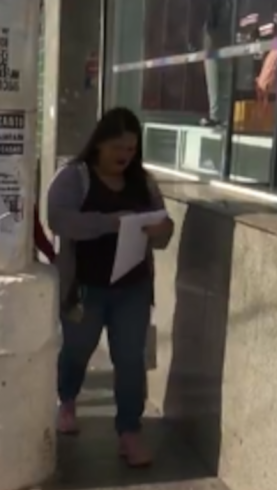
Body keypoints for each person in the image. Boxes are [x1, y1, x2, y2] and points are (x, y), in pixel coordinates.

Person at [47, 107, 174, 467]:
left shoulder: (144, 183)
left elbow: (163, 227)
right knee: (76, 349)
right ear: (99, 143)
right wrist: (110, 223)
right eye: (118, 147)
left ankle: (129, 431)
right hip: (86, 285)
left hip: (132, 286)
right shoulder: (74, 177)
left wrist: (163, 230)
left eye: (131, 149)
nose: (124, 155)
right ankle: (67, 399)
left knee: (131, 360)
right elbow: (59, 220)